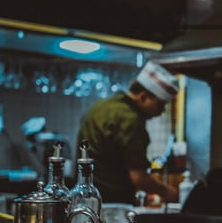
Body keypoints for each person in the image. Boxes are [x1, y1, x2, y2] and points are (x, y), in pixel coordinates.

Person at [76, 61, 180, 205]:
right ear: (143, 97)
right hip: (112, 202)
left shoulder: (102, 107)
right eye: (161, 104)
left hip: (84, 199)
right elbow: (139, 178)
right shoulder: (130, 120)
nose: (162, 111)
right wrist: (169, 193)